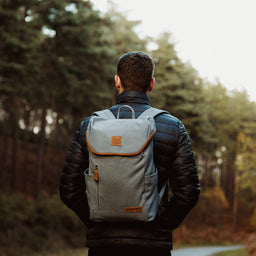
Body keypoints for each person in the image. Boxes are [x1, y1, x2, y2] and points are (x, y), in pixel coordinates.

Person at [59, 51, 200, 256]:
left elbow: (69, 189)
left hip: (103, 247)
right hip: (152, 247)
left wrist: (97, 219)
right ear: (151, 84)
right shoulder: (173, 127)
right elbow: (188, 192)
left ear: (117, 81)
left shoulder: (90, 126)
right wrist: (160, 224)